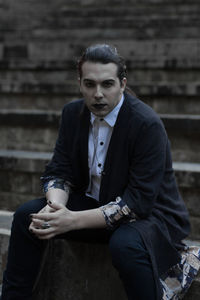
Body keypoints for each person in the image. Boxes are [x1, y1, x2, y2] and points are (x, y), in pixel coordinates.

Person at [1, 44, 198, 300]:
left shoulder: (146, 124)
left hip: (151, 217)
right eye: (89, 84)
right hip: (96, 206)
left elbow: (137, 202)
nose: (98, 94)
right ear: (79, 83)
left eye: (107, 84)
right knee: (30, 217)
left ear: (122, 84)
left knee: (125, 245)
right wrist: (56, 207)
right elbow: (59, 170)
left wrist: (72, 220)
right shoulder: (72, 113)